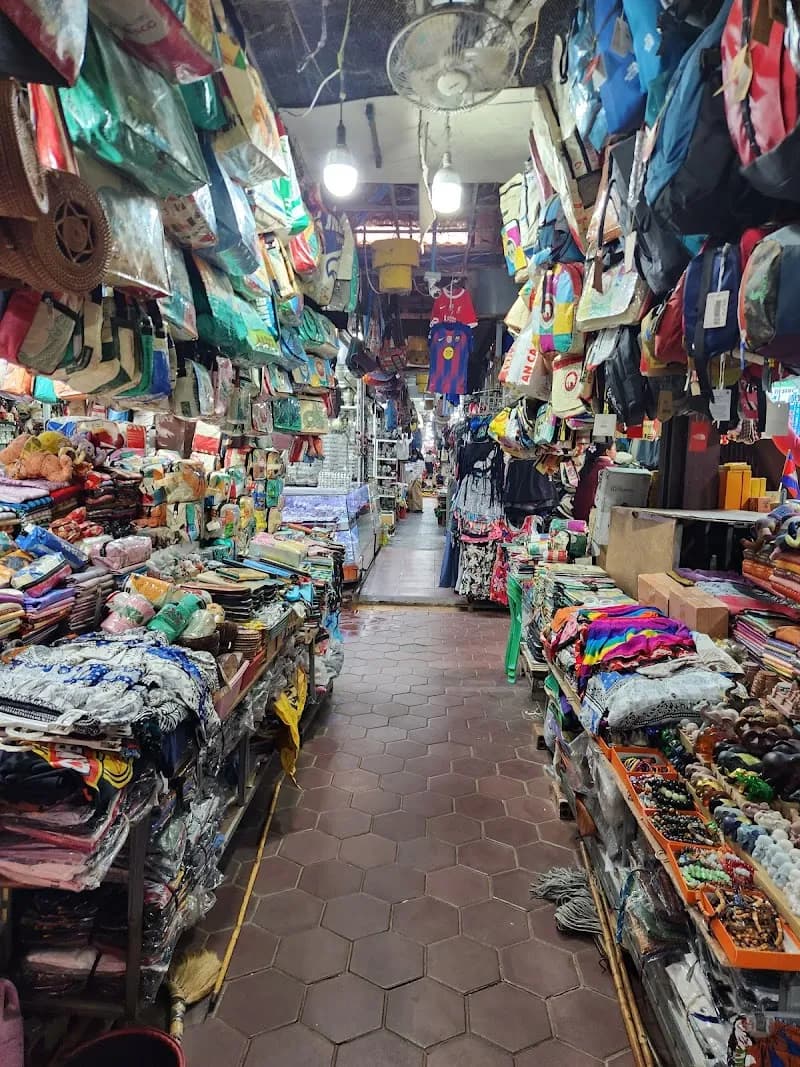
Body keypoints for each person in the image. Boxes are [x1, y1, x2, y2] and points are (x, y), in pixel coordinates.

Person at [573, 441, 617, 522]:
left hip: (580, 512)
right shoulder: (610, 469)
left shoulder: (590, 465)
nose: (616, 452)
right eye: (615, 449)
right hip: (592, 515)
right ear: (607, 452)